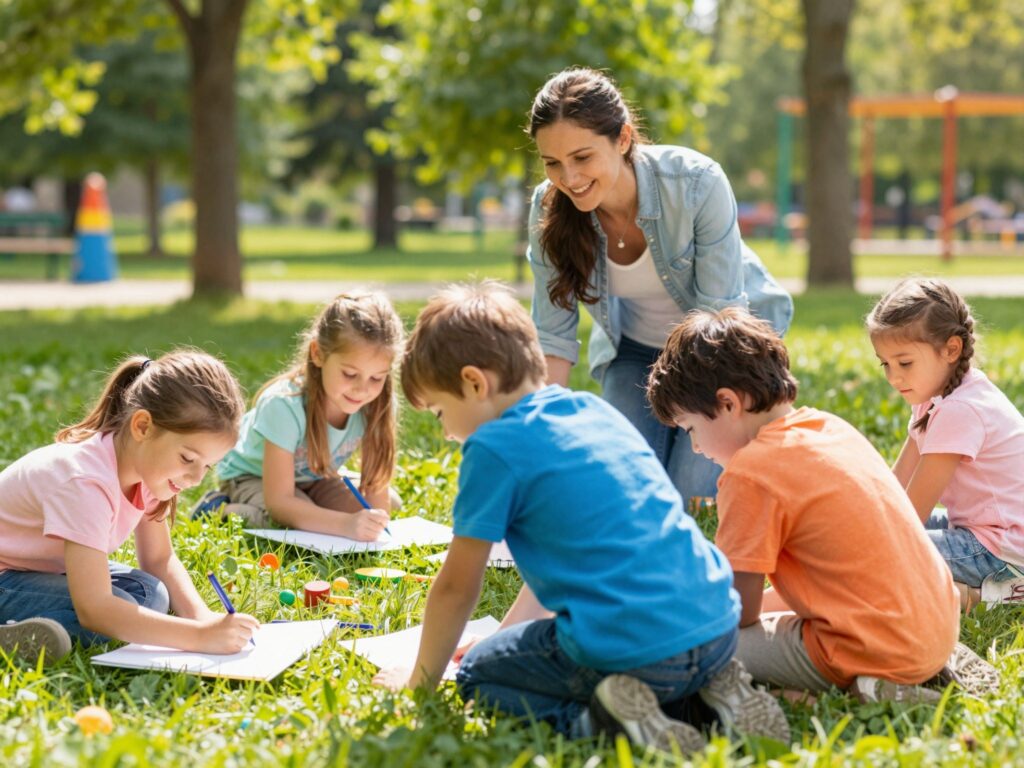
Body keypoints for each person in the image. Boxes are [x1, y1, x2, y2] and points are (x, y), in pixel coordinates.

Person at [373, 282, 789, 752]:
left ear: (474, 383)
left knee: (478, 676)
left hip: (636, 650)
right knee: (637, 663)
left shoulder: (492, 448)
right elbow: (568, 560)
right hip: (716, 630)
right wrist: (510, 635)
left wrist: (420, 683)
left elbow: (456, 586)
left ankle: (605, 724)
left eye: (440, 413)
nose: (447, 432)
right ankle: (714, 696)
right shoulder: (594, 411)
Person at [646, 307, 997, 701]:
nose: (695, 447)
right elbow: (804, 595)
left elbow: (738, 613)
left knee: (692, 649)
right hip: (934, 627)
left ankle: (848, 689)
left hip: (870, 646)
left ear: (728, 403)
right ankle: (891, 675)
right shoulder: (830, 429)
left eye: (692, 429)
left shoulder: (749, 474)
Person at [525, 67, 793, 505]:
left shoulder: (697, 183)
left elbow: (720, 320)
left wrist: (691, 409)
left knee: (689, 492)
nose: (568, 178)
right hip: (633, 350)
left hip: (720, 353)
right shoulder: (549, 206)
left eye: (583, 157)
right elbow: (553, 337)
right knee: (628, 491)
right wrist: (541, 436)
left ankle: (760, 429)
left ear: (623, 138)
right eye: (552, 162)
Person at [0, 351, 259, 663]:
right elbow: (95, 608)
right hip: (6, 576)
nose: (194, 478)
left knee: (150, 595)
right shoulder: (85, 482)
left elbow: (159, 559)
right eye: (188, 459)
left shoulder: (147, 471)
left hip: (39, 570)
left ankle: (30, 627)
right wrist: (200, 638)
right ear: (143, 426)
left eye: (206, 466)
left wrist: (202, 618)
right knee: (109, 616)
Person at [868, 277, 1024, 609]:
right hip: (975, 529)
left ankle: (994, 592)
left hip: (1002, 550)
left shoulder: (959, 410)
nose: (894, 378)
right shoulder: (939, 396)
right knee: (868, 532)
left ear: (951, 349)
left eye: (904, 363)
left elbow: (909, 514)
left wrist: (862, 539)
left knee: (875, 556)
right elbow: (896, 487)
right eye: (886, 364)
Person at [198, 292, 402, 540]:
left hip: (314, 477)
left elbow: (376, 490)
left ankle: (313, 509)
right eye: (350, 374)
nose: (363, 389)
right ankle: (217, 509)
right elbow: (280, 501)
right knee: (288, 525)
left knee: (386, 505)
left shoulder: (377, 404)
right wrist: (346, 525)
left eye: (377, 378)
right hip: (252, 476)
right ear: (318, 353)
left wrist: (375, 520)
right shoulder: (284, 405)